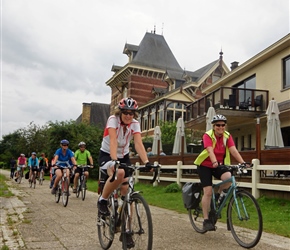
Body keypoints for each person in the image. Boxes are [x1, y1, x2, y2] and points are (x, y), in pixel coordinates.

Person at [97, 97, 152, 248]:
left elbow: (138, 143)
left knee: (128, 191)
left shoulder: (135, 124)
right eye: (126, 112)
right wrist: (114, 160)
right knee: (120, 173)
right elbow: (113, 140)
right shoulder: (112, 120)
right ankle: (102, 200)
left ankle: (126, 231)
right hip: (108, 154)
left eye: (132, 113)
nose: (128, 116)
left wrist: (146, 162)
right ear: (120, 112)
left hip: (125, 155)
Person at [194, 114, 247, 231]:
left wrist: (243, 162)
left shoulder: (227, 136)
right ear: (213, 126)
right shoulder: (207, 135)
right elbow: (209, 150)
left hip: (218, 164)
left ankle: (218, 195)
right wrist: (213, 161)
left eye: (223, 125)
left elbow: (233, 150)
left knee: (228, 177)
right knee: (207, 191)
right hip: (205, 165)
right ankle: (206, 220)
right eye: (218, 125)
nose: (220, 127)